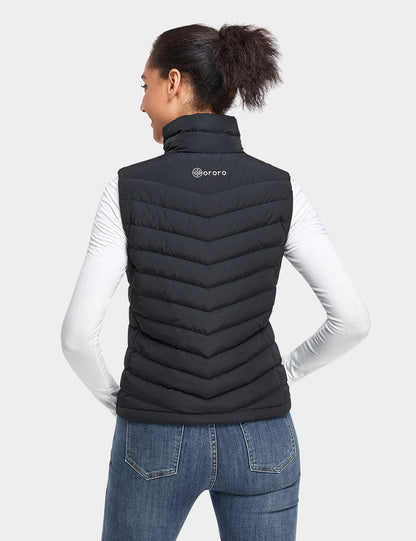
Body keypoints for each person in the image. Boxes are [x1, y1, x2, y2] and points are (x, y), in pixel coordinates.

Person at [61, 23, 371, 541]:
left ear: (174, 82)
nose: (142, 103)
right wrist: (285, 373)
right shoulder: (281, 188)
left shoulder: (125, 189)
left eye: (145, 85)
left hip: (154, 434)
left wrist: (123, 400)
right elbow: (352, 320)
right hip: (264, 437)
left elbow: (76, 338)